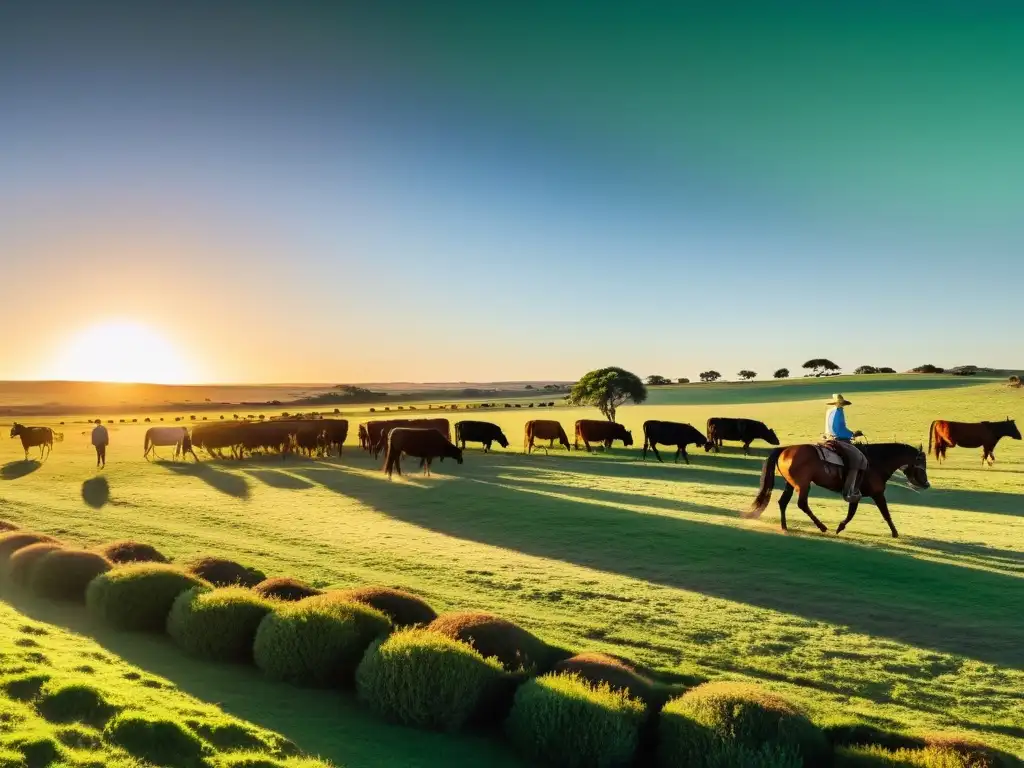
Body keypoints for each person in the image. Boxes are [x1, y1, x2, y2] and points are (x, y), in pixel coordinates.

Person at [824, 394, 868, 502]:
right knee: (857, 461)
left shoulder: (829, 411)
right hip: (840, 440)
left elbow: (830, 427)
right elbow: (838, 429)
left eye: (841, 403)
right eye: (840, 403)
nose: (841, 405)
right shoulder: (839, 412)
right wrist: (852, 434)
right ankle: (848, 492)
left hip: (828, 438)